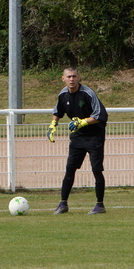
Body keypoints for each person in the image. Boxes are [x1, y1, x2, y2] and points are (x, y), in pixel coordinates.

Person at [47, 66, 108, 215]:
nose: (72, 79)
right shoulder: (63, 94)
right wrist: (53, 125)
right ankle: (63, 204)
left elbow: (100, 115)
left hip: (95, 136)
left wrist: (82, 122)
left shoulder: (88, 93)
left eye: (74, 76)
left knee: (96, 169)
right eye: (69, 77)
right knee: (70, 168)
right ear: (63, 79)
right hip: (78, 137)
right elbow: (58, 111)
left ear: (79, 78)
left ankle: (100, 205)